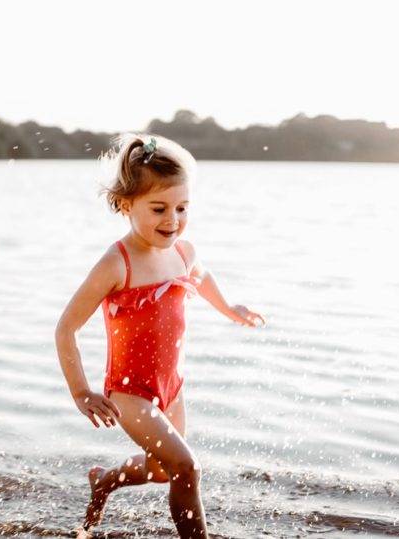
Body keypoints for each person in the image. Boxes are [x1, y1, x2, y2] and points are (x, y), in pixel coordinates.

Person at [55, 134, 265, 538]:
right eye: (158, 209)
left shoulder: (183, 252)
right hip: (129, 394)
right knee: (187, 468)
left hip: (172, 388)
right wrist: (81, 392)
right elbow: (66, 328)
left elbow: (201, 279)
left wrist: (230, 309)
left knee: (158, 471)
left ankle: (105, 480)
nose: (172, 220)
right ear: (124, 205)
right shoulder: (117, 263)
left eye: (182, 208)